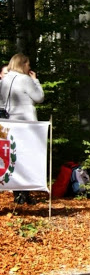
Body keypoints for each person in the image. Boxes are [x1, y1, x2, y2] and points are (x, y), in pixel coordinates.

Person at [0, 53, 45, 204]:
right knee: (27, 158)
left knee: (15, 158)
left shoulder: (5, 80)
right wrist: (35, 81)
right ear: (23, 64)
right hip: (27, 124)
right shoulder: (25, 79)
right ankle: (24, 195)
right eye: (28, 64)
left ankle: (18, 195)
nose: (30, 67)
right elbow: (39, 97)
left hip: (10, 124)